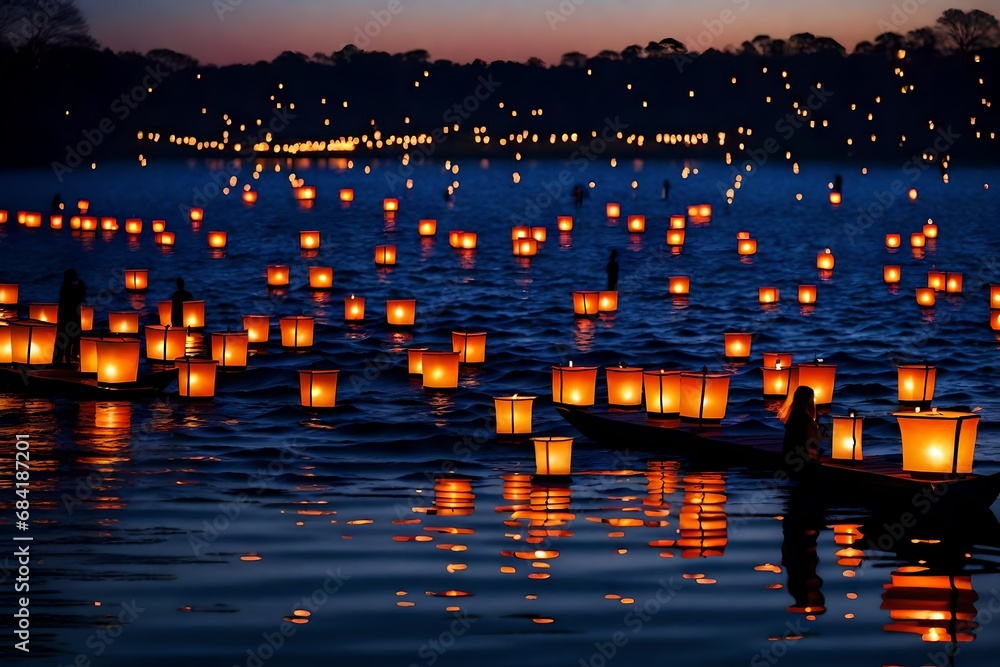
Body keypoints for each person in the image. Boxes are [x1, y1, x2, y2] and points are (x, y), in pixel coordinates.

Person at [778, 385, 820, 468]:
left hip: (790, 457)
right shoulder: (804, 419)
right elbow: (811, 443)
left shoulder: (792, 417)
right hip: (802, 461)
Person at [55, 269, 86, 364]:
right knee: (69, 336)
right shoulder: (67, 288)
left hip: (68, 316)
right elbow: (78, 298)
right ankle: (67, 357)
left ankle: (65, 357)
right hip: (70, 316)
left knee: (67, 337)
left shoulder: (66, 287)